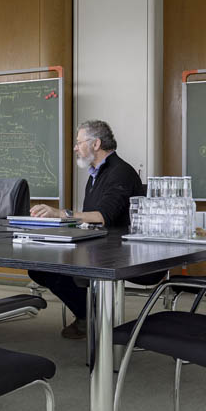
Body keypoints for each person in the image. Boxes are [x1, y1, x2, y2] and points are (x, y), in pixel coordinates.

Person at [28, 120, 144, 339]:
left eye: (79, 142)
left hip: (115, 250)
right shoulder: (95, 174)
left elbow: (102, 217)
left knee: (50, 269)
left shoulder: (121, 172)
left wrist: (61, 214)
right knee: (38, 266)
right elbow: (89, 217)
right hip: (93, 243)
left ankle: (88, 316)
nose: (75, 148)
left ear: (96, 144)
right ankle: (87, 312)